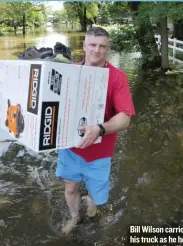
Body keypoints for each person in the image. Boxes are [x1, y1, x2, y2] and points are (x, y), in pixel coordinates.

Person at [56, 26, 136, 234]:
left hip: (99, 155)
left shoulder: (117, 78)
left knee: (96, 196)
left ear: (107, 50)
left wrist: (99, 129)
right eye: (92, 45)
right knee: (70, 188)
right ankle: (74, 217)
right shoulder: (71, 72)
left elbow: (125, 118)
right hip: (70, 149)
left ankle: (91, 204)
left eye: (102, 46)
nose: (97, 50)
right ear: (84, 46)